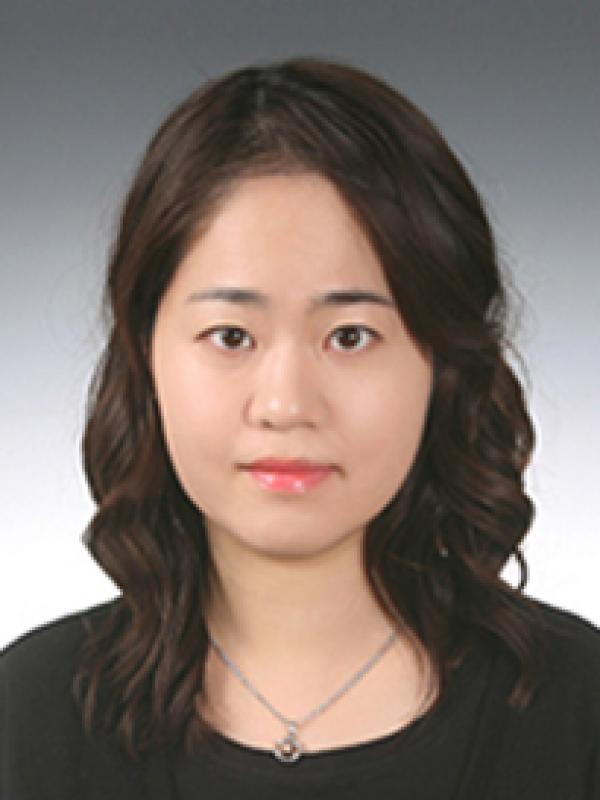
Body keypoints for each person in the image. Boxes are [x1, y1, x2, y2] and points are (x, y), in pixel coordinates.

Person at [1, 56, 599, 800]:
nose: (285, 404)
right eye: (231, 336)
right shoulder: (29, 717)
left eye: (349, 336)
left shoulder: (580, 709)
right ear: (145, 354)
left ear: (444, 364)